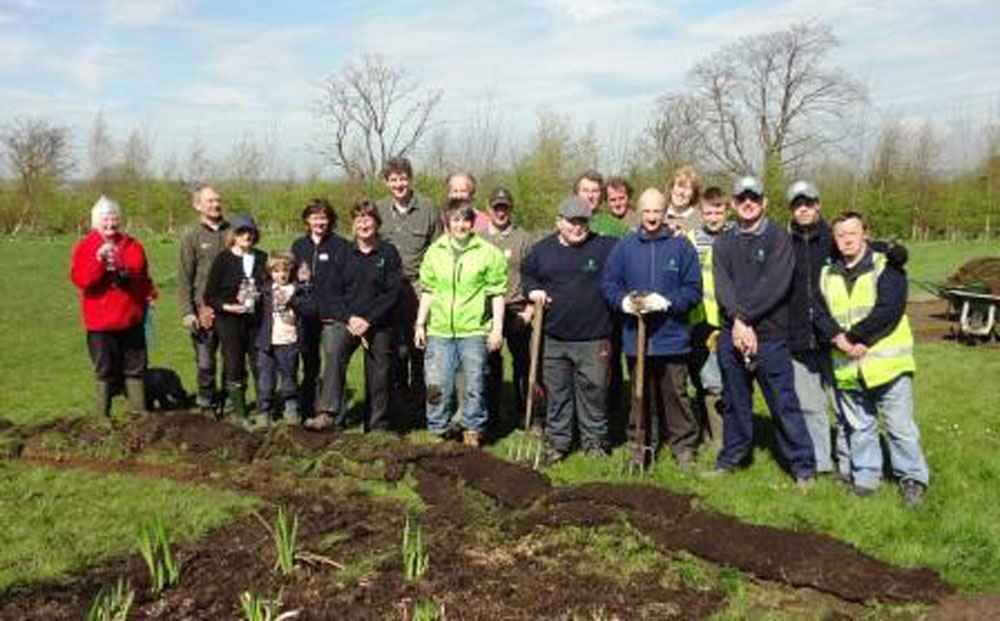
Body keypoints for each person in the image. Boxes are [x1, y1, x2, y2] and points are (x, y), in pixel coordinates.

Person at [786, 180, 910, 477]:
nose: (803, 208)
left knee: (844, 409)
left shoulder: (834, 237)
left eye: (809, 202)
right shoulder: (782, 240)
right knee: (810, 408)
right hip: (799, 336)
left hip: (834, 340)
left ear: (817, 204)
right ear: (791, 209)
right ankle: (821, 464)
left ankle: (847, 465)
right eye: (797, 204)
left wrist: (895, 250)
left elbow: (864, 244)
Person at [814, 211, 929, 506]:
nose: (847, 239)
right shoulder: (827, 273)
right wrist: (837, 337)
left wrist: (856, 338)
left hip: (887, 365)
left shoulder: (886, 266)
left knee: (899, 428)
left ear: (865, 233)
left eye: (853, 232)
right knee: (860, 427)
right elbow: (820, 312)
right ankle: (866, 478)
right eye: (840, 235)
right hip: (848, 364)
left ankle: (912, 479)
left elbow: (889, 309)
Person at [709, 176, 816, 485]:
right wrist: (738, 322)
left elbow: (775, 284)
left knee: (783, 403)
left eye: (753, 197)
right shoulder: (724, 242)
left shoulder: (778, 238)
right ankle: (732, 458)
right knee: (735, 402)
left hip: (770, 337)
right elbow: (723, 286)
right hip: (733, 335)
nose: (747, 202)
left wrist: (744, 317)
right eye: (741, 197)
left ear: (764, 202)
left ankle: (802, 467)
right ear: (732, 204)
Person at [603, 188, 703, 466]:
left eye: (657, 211)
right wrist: (622, 301)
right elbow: (609, 284)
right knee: (639, 397)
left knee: (676, 396)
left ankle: (683, 448)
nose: (651, 217)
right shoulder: (625, 246)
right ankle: (640, 447)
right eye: (646, 211)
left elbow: (693, 290)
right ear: (640, 212)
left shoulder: (681, 247)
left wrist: (667, 302)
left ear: (665, 212)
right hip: (637, 338)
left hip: (671, 337)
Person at [521, 196, 619, 462]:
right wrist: (533, 290)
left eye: (582, 222)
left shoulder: (605, 247)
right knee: (558, 394)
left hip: (594, 337)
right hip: (554, 337)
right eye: (572, 222)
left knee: (594, 393)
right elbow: (527, 274)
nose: (578, 227)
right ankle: (558, 442)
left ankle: (595, 442)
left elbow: (633, 251)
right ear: (559, 222)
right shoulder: (542, 251)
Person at [414, 199, 507, 447]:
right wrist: (420, 323)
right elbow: (428, 290)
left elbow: (497, 294)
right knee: (437, 384)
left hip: (473, 331)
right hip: (440, 330)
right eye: (456, 219)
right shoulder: (435, 252)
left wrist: (497, 329)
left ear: (472, 222)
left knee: (474, 383)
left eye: (466, 220)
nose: (461, 225)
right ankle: (437, 429)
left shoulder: (488, 253)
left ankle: (472, 430)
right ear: (447, 221)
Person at [307, 201, 402, 433]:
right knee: (334, 350)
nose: (363, 224)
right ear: (353, 225)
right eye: (359, 219)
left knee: (380, 370)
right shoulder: (343, 253)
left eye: (368, 218)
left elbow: (392, 294)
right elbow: (333, 294)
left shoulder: (388, 253)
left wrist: (369, 320)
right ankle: (327, 413)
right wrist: (350, 319)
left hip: (378, 322)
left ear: (377, 223)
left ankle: (377, 423)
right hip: (348, 321)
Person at [71, 196, 157, 421]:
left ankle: (138, 414)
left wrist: (149, 293)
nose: (110, 225)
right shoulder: (86, 247)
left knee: (135, 368)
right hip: (101, 323)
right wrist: (99, 261)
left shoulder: (133, 245)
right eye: (104, 221)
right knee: (104, 371)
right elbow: (82, 280)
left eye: (114, 220)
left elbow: (142, 276)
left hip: (131, 319)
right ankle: (101, 418)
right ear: (95, 223)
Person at [377, 156, 441, 428]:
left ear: (410, 179)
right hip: (388, 288)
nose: (399, 184)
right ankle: (397, 400)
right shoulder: (378, 210)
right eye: (393, 179)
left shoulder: (428, 208)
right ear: (386, 182)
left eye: (403, 178)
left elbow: (438, 249)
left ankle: (420, 402)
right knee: (393, 347)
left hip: (419, 286)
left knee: (420, 345)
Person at [203, 214, 268, 428]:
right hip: (229, 321)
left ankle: (263, 411)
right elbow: (210, 295)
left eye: (249, 231)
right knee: (233, 364)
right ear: (234, 235)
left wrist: (260, 295)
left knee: (260, 364)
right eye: (241, 232)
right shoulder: (223, 259)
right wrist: (228, 306)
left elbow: (269, 287)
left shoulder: (261, 257)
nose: (246, 235)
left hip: (256, 320)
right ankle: (239, 415)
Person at [480, 188, 535, 428]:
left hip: (517, 309)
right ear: (488, 209)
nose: (501, 212)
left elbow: (536, 275)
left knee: (523, 363)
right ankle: (492, 412)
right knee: (489, 364)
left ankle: (526, 412)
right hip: (487, 310)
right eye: (496, 207)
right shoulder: (479, 239)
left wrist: (530, 310)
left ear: (511, 209)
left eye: (505, 207)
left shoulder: (524, 238)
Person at [290, 198, 347, 421]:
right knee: (309, 364)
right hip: (305, 315)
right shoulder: (298, 246)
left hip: (332, 315)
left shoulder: (341, 246)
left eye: (323, 217)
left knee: (333, 362)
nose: (319, 222)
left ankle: (334, 414)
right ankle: (307, 409)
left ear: (330, 220)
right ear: (307, 219)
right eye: (315, 217)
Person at [685, 186, 731, 445]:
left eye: (718, 211)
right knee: (701, 378)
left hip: (726, 319)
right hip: (698, 319)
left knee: (718, 381)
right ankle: (706, 431)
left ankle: (721, 438)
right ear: (701, 212)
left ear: (727, 210)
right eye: (708, 212)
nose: (713, 216)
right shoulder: (692, 238)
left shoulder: (735, 236)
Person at [178, 185, 229, 415]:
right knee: (205, 363)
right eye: (209, 201)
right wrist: (187, 311)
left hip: (231, 310)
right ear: (197, 205)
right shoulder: (191, 236)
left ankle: (230, 405)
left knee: (232, 362)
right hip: (203, 311)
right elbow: (184, 276)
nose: (215, 205)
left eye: (218, 200)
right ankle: (206, 405)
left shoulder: (233, 232)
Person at [255, 252, 302, 425]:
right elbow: (254, 310)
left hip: (289, 341)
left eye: (285, 271)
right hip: (267, 342)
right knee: (265, 381)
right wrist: (248, 300)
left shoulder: (298, 290)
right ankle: (264, 412)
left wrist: (293, 304)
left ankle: (291, 410)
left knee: (289, 379)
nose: (281, 275)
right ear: (270, 272)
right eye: (276, 271)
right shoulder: (265, 290)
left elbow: (309, 310)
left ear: (291, 271)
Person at [665, 166, 703, 235]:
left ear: (693, 195)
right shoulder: (657, 215)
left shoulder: (700, 222)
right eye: (679, 186)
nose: (681, 192)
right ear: (671, 188)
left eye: (687, 188)